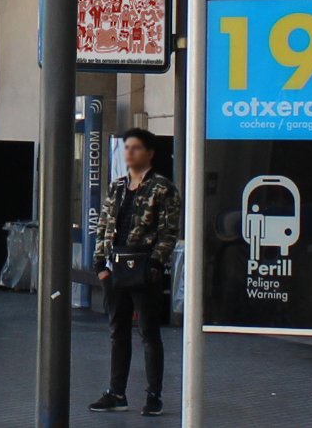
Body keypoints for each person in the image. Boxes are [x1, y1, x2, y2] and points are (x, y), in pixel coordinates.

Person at [88, 128, 180, 417]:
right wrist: (100, 264)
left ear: (149, 153)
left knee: (149, 332)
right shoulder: (116, 187)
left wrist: (155, 263)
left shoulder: (163, 188)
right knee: (118, 331)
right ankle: (117, 392)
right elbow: (103, 226)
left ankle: (153, 395)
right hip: (115, 268)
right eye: (127, 147)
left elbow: (169, 230)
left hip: (143, 269)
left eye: (136, 147)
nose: (129, 152)